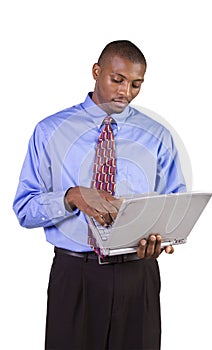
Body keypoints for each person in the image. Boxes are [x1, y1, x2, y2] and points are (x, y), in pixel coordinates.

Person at [13, 40, 186, 350]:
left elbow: (175, 205)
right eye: (117, 80)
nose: (125, 92)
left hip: (139, 275)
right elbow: (25, 209)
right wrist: (70, 196)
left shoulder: (158, 136)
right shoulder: (50, 131)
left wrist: (161, 240)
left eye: (136, 84)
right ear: (96, 71)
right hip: (74, 274)